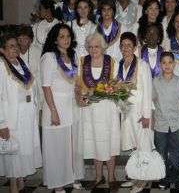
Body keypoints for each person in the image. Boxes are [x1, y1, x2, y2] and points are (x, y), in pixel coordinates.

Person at [41, 23, 84, 192]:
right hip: (55, 107)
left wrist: (80, 96)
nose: (66, 39)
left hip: (71, 107)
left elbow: (75, 84)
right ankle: (57, 182)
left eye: (68, 36)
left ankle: (70, 177)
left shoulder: (72, 57)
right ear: (55, 39)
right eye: (61, 36)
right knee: (56, 147)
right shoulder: (49, 57)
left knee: (70, 146)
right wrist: (53, 111)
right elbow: (46, 86)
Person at [75, 33, 120, 192]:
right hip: (90, 110)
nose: (94, 49)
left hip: (107, 108)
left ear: (103, 47)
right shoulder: (82, 62)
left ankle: (112, 177)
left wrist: (106, 90)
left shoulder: (111, 62)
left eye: (97, 46)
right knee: (95, 141)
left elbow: (116, 85)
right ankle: (98, 176)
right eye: (91, 47)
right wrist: (79, 97)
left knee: (109, 142)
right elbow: (78, 86)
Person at [0, 32, 42, 193]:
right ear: (2, 50)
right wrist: (1, 123)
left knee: (23, 151)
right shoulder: (1, 66)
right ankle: (13, 186)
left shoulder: (21, 63)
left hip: (27, 116)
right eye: (11, 46)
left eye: (16, 45)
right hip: (12, 119)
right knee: (14, 153)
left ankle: (21, 182)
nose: (15, 48)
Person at [118, 32, 153, 192]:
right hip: (126, 112)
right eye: (123, 45)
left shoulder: (142, 65)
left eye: (129, 45)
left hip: (140, 113)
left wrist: (147, 115)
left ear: (134, 47)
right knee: (134, 146)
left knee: (143, 145)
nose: (125, 48)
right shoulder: (120, 64)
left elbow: (148, 91)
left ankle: (143, 180)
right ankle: (134, 176)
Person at [153, 51, 179, 190]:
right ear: (160, 65)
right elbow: (152, 101)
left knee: (176, 152)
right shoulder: (155, 81)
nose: (167, 65)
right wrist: (152, 120)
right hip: (160, 123)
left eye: (170, 62)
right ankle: (165, 178)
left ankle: (177, 177)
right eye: (164, 62)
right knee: (161, 152)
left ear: (174, 64)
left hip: (176, 123)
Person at [32, 0, 60, 66]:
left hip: (55, 59)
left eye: (41, 9)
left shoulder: (60, 25)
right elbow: (33, 44)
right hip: (38, 59)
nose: (39, 11)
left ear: (49, 10)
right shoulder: (36, 26)